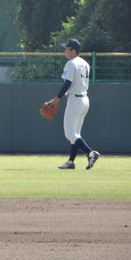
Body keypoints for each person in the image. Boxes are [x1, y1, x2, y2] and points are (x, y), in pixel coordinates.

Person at [44, 39, 100, 170]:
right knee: (76, 134)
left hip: (75, 101)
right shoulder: (85, 63)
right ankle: (71, 162)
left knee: (70, 134)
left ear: (73, 51)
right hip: (85, 99)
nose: (65, 51)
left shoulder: (70, 63)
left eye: (67, 48)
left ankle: (90, 152)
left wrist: (56, 99)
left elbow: (67, 83)